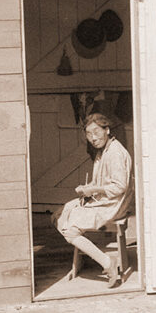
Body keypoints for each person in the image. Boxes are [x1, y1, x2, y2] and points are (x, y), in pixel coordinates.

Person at [53, 113, 133, 287]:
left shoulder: (115, 152)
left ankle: (107, 262)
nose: (93, 137)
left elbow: (119, 187)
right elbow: (101, 181)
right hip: (104, 199)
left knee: (70, 230)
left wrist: (93, 190)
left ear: (107, 130)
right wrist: (87, 187)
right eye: (89, 134)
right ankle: (86, 250)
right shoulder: (103, 151)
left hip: (114, 204)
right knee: (60, 213)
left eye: (96, 131)